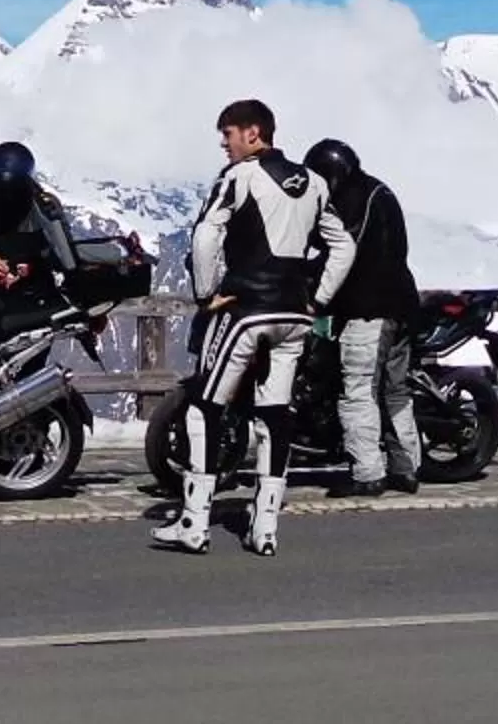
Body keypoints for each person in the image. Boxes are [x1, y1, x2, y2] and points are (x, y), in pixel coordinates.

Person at [152, 99, 355, 558]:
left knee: (204, 408)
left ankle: (193, 521)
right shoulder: (316, 184)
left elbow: (205, 234)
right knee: (275, 415)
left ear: (253, 133)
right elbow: (343, 246)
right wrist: (318, 298)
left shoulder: (239, 177)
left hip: (246, 311)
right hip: (294, 315)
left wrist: (206, 294)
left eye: (228, 134)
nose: (223, 144)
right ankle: (264, 527)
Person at [316, 138, 424, 499]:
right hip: (403, 305)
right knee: (395, 391)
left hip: (368, 309)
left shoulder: (352, 199)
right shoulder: (381, 191)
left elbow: (345, 250)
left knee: (358, 390)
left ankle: (367, 474)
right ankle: (406, 469)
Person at [0, 140, 78, 328]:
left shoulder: (45, 207)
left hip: (41, 307)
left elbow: (66, 256)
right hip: (1, 307)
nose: (7, 198)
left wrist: (41, 257)